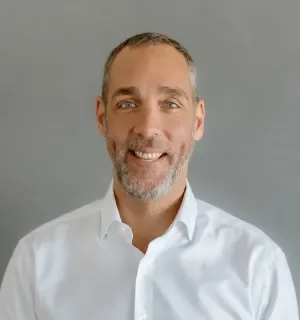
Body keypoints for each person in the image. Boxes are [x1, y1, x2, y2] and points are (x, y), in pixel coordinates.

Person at [0, 32, 298, 320]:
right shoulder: (35, 262)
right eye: (127, 104)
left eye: (170, 104)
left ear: (198, 121)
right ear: (102, 118)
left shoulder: (258, 265)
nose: (147, 127)